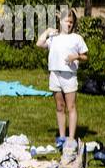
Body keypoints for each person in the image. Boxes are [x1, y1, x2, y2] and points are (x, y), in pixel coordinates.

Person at [37, 8, 88, 148]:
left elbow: (85, 56)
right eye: (66, 21)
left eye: (71, 22)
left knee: (71, 106)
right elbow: (39, 44)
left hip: (69, 76)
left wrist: (76, 56)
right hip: (55, 74)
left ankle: (71, 138)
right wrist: (47, 31)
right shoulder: (54, 37)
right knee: (60, 106)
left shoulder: (77, 38)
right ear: (60, 21)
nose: (69, 24)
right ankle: (61, 137)